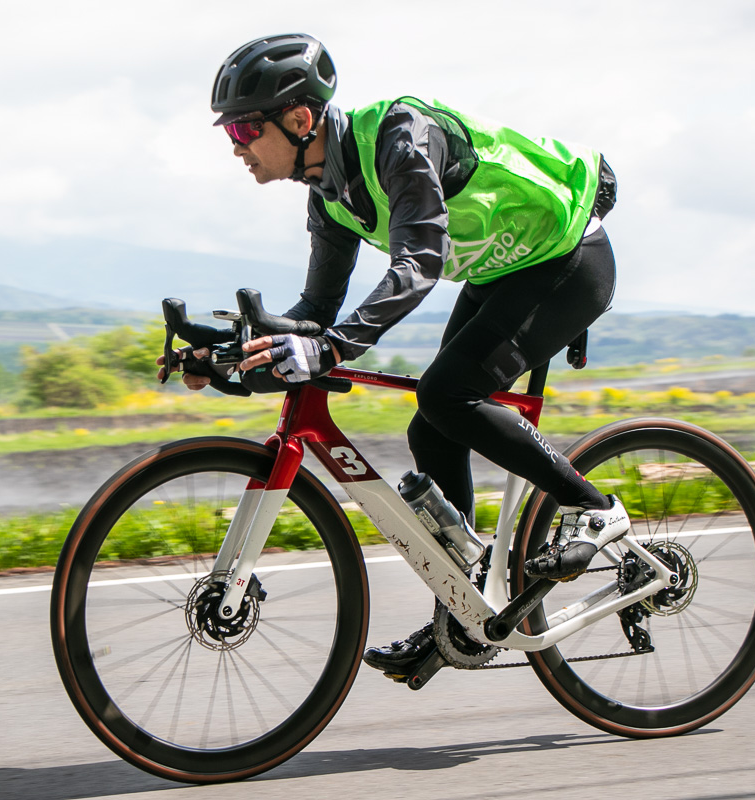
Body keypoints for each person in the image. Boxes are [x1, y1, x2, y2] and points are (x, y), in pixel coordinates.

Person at [166, 33, 632, 679]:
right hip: (508, 268)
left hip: (568, 258)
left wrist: (329, 347)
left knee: (448, 394)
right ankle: (468, 605)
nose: (237, 145)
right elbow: (316, 311)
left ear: (300, 119)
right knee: (431, 421)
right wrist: (229, 355)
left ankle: (599, 511)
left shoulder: (399, 138)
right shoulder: (327, 192)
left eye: (245, 127)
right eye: (230, 132)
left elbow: (420, 262)